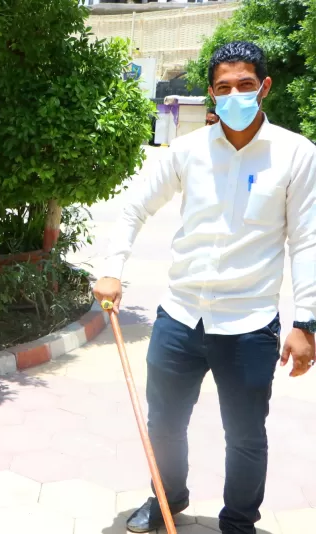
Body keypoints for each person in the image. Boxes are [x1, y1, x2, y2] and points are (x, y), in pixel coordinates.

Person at [94, 41, 316, 534]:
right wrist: (113, 266)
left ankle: (238, 523)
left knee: (244, 436)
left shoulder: (296, 155)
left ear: (264, 87)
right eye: (222, 88)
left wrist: (306, 322)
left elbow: (307, 241)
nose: (234, 94)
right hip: (179, 317)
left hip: (249, 323)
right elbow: (134, 207)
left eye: (244, 85)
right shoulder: (188, 151)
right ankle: (167, 500)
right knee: (165, 425)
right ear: (211, 95)